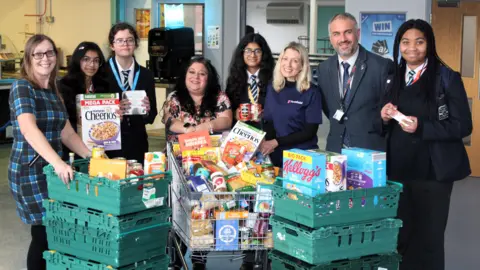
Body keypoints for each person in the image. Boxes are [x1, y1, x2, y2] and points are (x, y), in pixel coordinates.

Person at [380, 19, 472, 270]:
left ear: (429, 44)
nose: (412, 48)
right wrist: (385, 116)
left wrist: (422, 127)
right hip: (398, 170)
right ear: (398, 45)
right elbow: (384, 123)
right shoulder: (393, 76)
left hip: (433, 172)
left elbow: (463, 126)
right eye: (405, 42)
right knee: (401, 233)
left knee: (429, 237)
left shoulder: (446, 77)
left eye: (419, 42)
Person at [8, 34, 91, 270]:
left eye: (50, 53)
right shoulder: (22, 87)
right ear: (29, 58)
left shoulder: (54, 91)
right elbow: (28, 128)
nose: (45, 58)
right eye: (38, 54)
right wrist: (58, 162)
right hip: (29, 171)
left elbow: (67, 133)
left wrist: (93, 156)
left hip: (53, 170)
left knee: (55, 230)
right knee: (43, 231)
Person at [162, 56, 232, 270]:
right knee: (178, 212)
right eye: (192, 72)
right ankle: (176, 259)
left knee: (204, 211)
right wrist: (187, 129)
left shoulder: (219, 97)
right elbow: (168, 120)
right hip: (179, 165)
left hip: (209, 166)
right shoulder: (175, 98)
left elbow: (226, 119)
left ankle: (200, 258)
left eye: (202, 73)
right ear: (185, 76)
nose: (196, 77)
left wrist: (204, 127)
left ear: (208, 78)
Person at [317, 13, 393, 153]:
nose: (343, 39)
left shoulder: (381, 66)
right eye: (336, 34)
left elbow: (388, 112)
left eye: (348, 32)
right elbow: (328, 109)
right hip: (335, 150)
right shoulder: (323, 69)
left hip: (369, 150)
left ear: (357, 33)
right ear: (331, 39)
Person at [260, 42, 322, 168]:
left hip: (302, 158)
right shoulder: (273, 88)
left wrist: (276, 142)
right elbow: (269, 122)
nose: (288, 64)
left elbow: (309, 132)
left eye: (294, 61)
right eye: (285, 59)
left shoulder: (311, 91)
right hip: (276, 156)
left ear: (302, 65)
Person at [106, 22, 157, 164]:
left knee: (137, 182)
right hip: (109, 143)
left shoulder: (146, 74)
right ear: (112, 45)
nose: (125, 44)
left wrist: (147, 110)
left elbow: (152, 115)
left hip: (137, 142)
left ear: (135, 44)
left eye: (129, 40)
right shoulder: (102, 73)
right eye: (120, 40)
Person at [58, 41, 109, 161]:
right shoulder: (64, 86)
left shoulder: (104, 86)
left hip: (100, 145)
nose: (91, 65)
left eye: (96, 60)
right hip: (72, 146)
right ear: (77, 61)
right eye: (86, 59)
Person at [225, 33, 275, 129]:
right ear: (242, 53)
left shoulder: (273, 79)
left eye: (257, 51)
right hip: (242, 133)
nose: (252, 55)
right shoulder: (233, 79)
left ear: (263, 54)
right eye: (248, 51)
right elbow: (228, 108)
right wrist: (235, 113)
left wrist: (266, 114)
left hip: (267, 133)